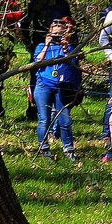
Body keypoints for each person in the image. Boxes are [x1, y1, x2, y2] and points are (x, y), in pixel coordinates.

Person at [32, 19, 80, 161]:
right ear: (50, 33)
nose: (57, 37)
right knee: (44, 119)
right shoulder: (41, 45)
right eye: (55, 34)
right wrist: (47, 44)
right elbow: (38, 61)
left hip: (61, 87)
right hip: (43, 85)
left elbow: (71, 63)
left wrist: (65, 48)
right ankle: (44, 147)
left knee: (65, 120)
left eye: (61, 34)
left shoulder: (69, 48)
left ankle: (69, 149)